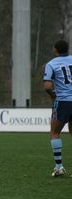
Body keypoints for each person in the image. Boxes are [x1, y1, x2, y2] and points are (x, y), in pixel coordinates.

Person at [43, 39, 72, 177]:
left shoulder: (51, 64)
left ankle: (59, 167)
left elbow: (47, 86)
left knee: (55, 132)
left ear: (55, 50)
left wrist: (53, 95)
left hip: (62, 102)